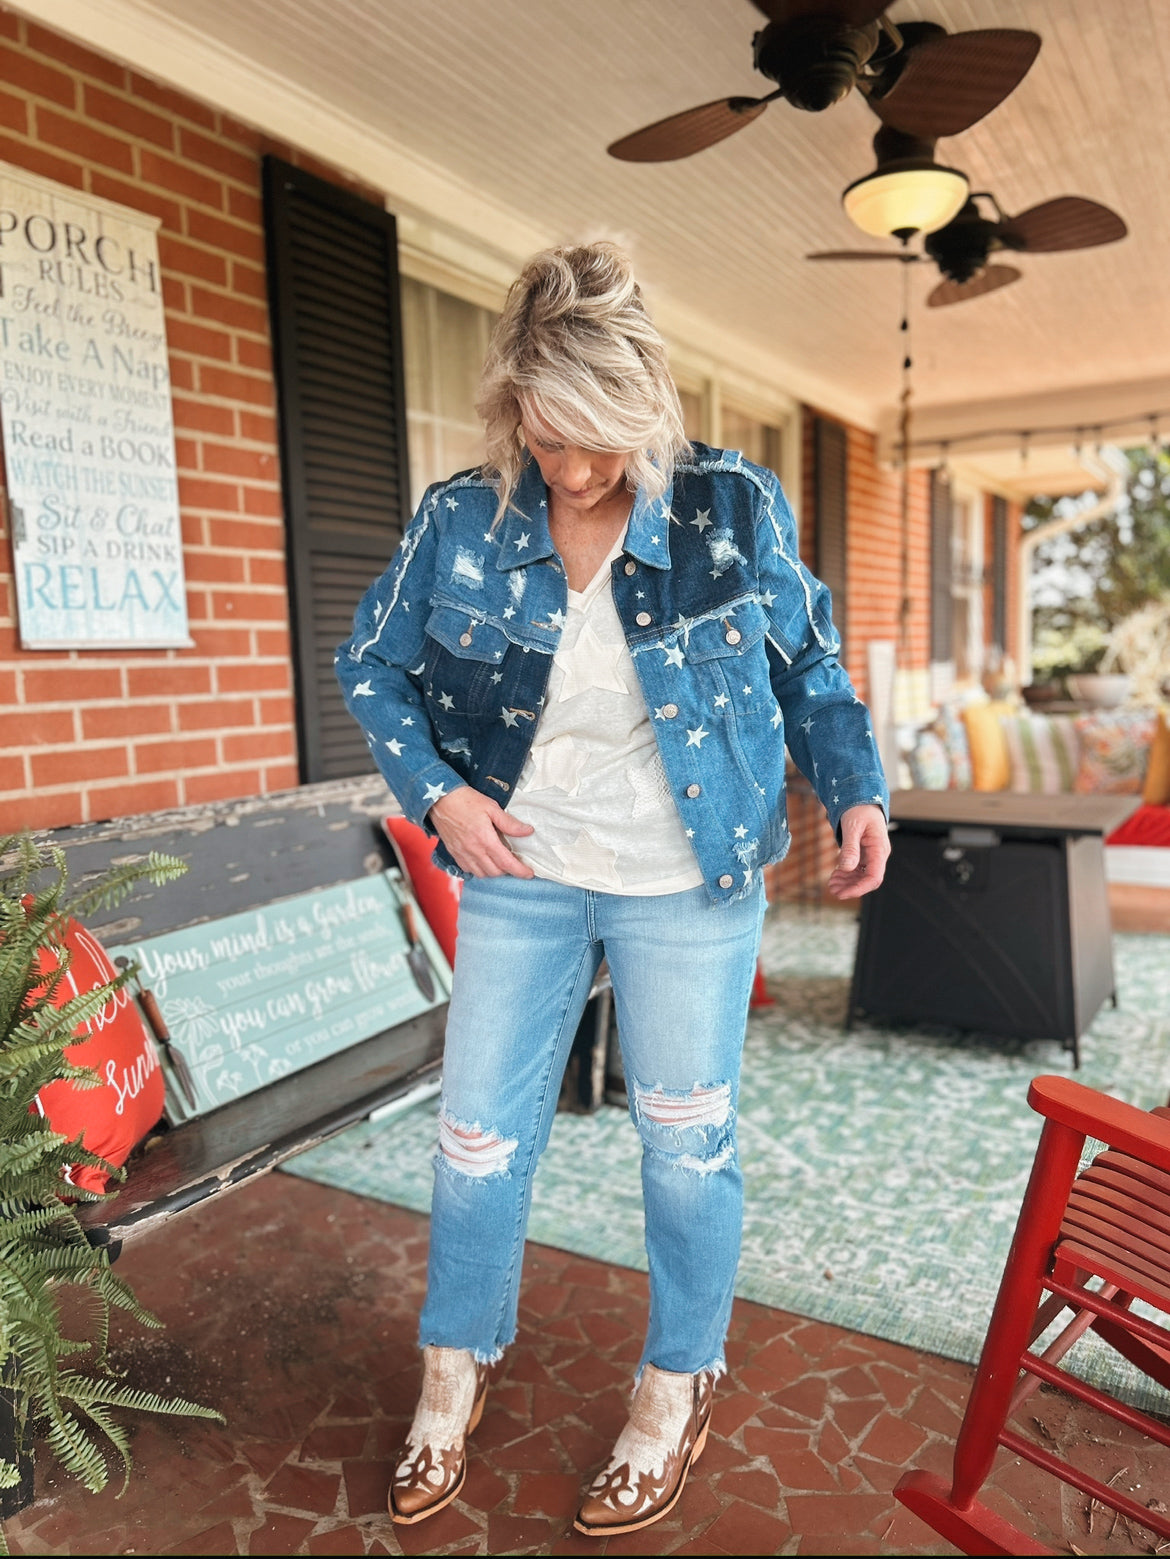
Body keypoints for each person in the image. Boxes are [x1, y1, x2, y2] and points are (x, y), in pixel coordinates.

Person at [336, 241, 890, 1536]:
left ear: (650, 410)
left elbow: (809, 669)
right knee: (475, 1142)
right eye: (554, 433)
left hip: (688, 885)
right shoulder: (457, 518)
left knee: (684, 1149)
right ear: (513, 398)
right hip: (524, 875)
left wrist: (853, 786)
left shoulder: (730, 507)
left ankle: (674, 1382)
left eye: (608, 440)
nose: (579, 469)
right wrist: (440, 795)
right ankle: (452, 1363)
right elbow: (372, 663)